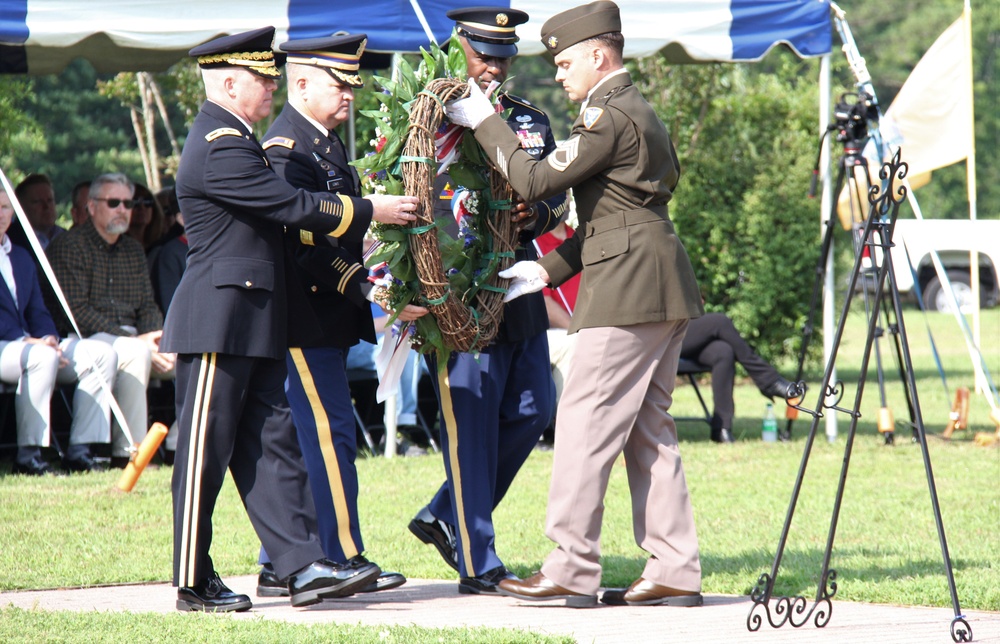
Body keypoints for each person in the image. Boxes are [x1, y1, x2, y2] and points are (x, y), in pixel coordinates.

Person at [447, 1, 706, 608]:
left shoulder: (611, 116)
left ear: (599, 55)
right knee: (650, 430)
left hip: (628, 292)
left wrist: (486, 120)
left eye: (565, 63)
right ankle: (674, 566)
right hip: (656, 283)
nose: (559, 74)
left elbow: (534, 182)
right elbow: (619, 216)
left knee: (584, 425)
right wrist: (546, 269)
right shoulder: (632, 111)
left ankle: (570, 567)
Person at [161, 27, 417, 613]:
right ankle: (191, 578)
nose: (272, 86)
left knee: (274, 447)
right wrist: (368, 209)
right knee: (207, 451)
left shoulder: (239, 139)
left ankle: (300, 567)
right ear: (229, 82)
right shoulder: (221, 140)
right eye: (261, 77)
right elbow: (290, 205)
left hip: (252, 319)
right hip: (218, 320)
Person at [251, 33, 422, 599]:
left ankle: (282, 560)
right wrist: (368, 291)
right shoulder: (286, 149)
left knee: (308, 438)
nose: (350, 91)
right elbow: (304, 245)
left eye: (352, 82)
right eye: (338, 82)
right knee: (330, 435)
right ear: (300, 83)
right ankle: (342, 555)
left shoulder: (320, 142)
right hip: (304, 316)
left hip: (324, 315)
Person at [406, 6, 569, 596]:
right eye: (484, 54)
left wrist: (536, 210)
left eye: (504, 56)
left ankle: (443, 512)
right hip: (456, 294)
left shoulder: (529, 118)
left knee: (532, 410)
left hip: (517, 282)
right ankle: (479, 561)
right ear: (458, 48)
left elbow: (555, 196)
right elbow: (405, 192)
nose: (496, 67)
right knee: (470, 424)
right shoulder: (423, 116)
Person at [46, 173, 174, 468]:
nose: (123, 210)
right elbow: (75, 312)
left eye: (127, 203)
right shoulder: (70, 245)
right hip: (85, 338)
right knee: (135, 352)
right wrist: (135, 340)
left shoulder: (132, 249)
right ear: (91, 207)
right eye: (113, 202)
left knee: (192, 358)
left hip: (135, 339)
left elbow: (147, 305)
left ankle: (187, 445)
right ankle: (130, 452)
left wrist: (157, 336)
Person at [0, 188, 117, 475]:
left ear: (12, 214)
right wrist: (30, 341)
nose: (0, 214)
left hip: (29, 345)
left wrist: (49, 337)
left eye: (4, 207)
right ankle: (29, 455)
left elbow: (38, 310)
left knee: (101, 354)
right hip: (7, 345)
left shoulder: (22, 258)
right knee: (42, 357)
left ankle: (81, 450)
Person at [680, 313, 795, 443]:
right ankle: (768, 381)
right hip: (658, 334)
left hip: (678, 329)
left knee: (723, 352)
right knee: (720, 321)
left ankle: (722, 428)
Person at [14, 174, 65, 249]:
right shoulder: (10, 240)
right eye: (37, 202)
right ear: (21, 206)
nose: (46, 207)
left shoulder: (67, 236)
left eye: (50, 200)